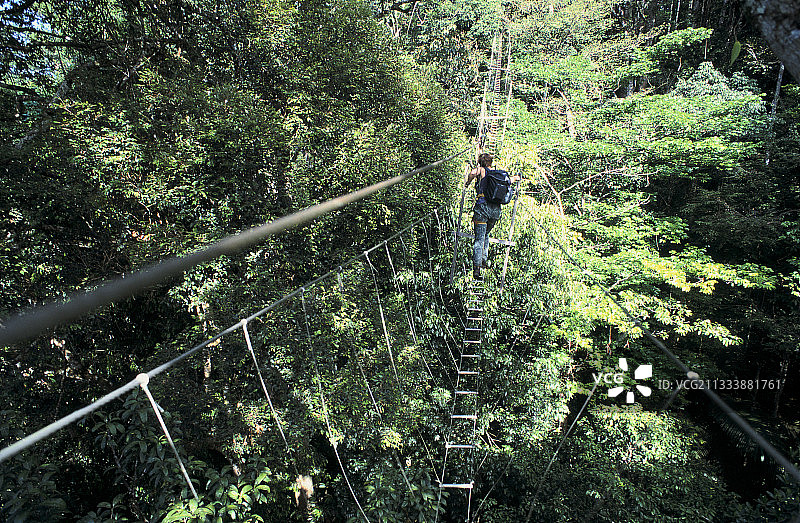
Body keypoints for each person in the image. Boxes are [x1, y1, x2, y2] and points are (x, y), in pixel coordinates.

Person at [465, 153, 519, 280]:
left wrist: (467, 183)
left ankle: (477, 268)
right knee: (486, 233)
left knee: (479, 238)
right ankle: (484, 258)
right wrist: (516, 177)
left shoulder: (481, 170)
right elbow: (510, 180)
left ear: (480, 162)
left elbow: (472, 173)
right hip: (495, 211)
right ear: (491, 162)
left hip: (482, 209)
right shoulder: (498, 174)